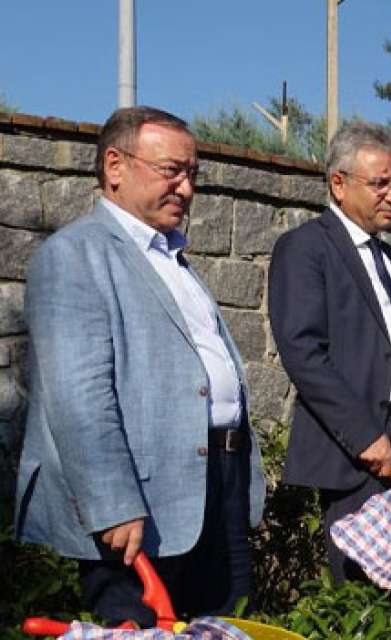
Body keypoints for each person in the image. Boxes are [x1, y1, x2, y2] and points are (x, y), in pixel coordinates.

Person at [15, 106, 265, 625]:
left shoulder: (173, 257)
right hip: (138, 505)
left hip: (218, 486)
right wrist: (112, 503)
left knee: (225, 627)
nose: (186, 188)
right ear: (114, 166)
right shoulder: (74, 255)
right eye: (171, 170)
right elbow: (78, 394)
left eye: (191, 173)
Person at [268, 122, 391, 583]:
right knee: (365, 596)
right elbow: (302, 351)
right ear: (338, 183)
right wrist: (362, 435)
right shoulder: (306, 248)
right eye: (379, 184)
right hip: (360, 453)